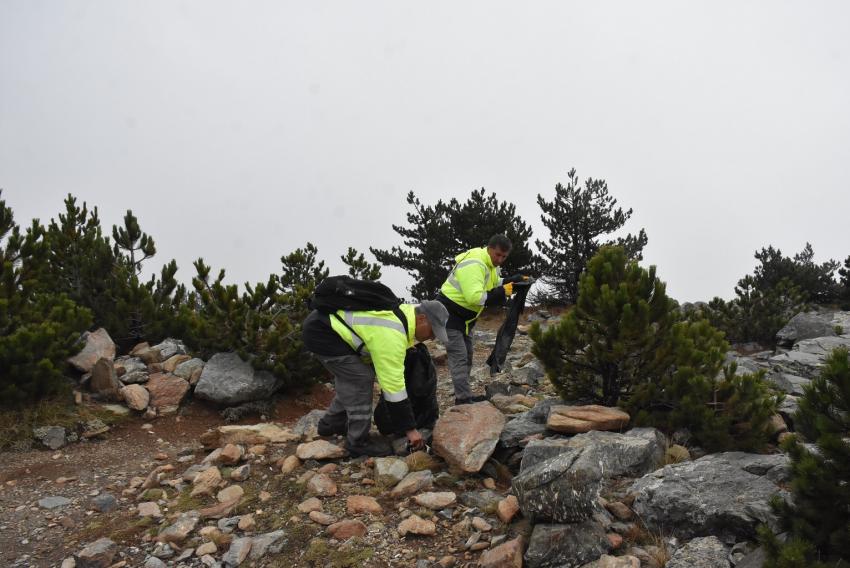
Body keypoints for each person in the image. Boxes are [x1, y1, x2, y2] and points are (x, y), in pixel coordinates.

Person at [302, 299, 449, 457]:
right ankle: (357, 441)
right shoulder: (393, 334)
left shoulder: (405, 316)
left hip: (323, 325)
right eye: (433, 331)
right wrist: (411, 430)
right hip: (323, 332)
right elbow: (393, 388)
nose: (432, 338)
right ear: (422, 319)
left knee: (352, 377)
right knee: (361, 378)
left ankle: (331, 423)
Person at [437, 234, 527, 405]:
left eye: (504, 257)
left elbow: (492, 283)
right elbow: (475, 297)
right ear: (489, 248)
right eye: (497, 255)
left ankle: (464, 395)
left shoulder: (490, 265)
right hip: (449, 315)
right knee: (460, 357)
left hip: (465, 319)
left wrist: (511, 281)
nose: (500, 259)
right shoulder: (476, 263)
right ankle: (463, 400)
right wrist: (503, 291)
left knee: (468, 355)